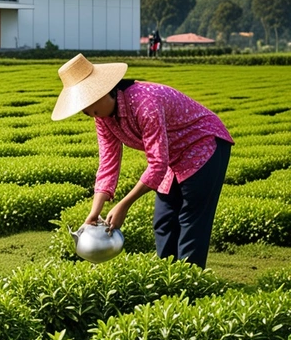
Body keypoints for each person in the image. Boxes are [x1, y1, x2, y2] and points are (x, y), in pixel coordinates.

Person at [51, 54, 234, 267]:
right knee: (164, 221)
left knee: (190, 221)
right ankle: (167, 280)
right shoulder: (102, 117)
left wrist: (123, 205)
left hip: (202, 145)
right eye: (83, 108)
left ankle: (189, 288)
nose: (88, 112)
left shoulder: (144, 103)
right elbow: (108, 163)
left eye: (89, 103)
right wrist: (95, 212)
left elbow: (157, 164)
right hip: (172, 156)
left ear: (105, 90)